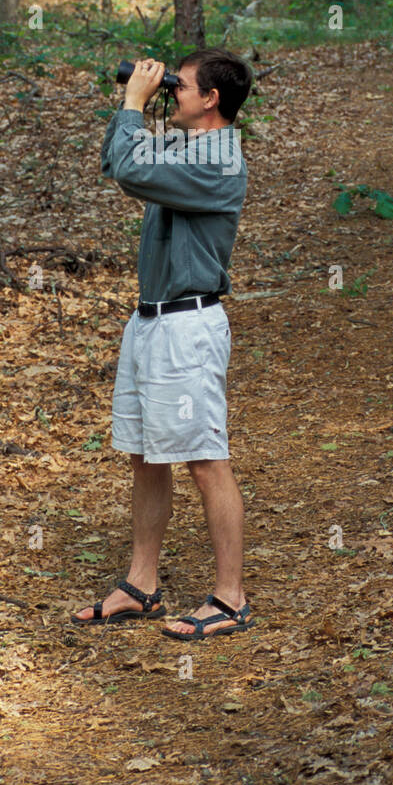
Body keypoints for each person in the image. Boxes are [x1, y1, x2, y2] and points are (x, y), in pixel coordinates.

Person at [72, 48, 254, 639]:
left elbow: (129, 168)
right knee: (147, 454)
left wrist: (133, 103)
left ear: (212, 100)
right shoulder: (186, 148)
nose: (172, 91)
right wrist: (132, 109)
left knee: (203, 457)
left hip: (188, 327)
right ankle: (141, 585)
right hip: (150, 321)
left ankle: (231, 599)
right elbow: (115, 160)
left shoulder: (219, 160)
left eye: (183, 85)